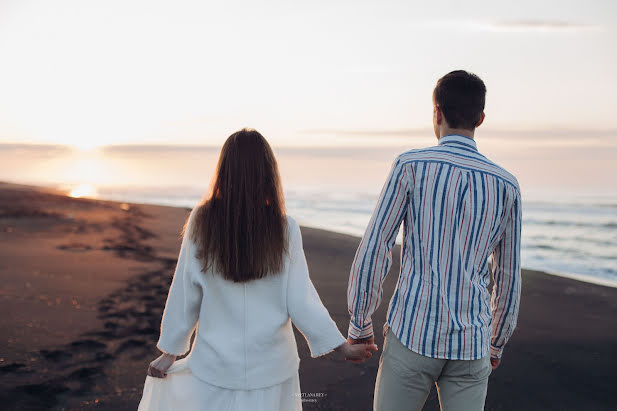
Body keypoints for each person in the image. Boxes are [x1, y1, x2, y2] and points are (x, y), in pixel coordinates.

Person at [139, 128, 378, 411]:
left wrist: (170, 351)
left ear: (224, 170)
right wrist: (342, 346)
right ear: (268, 173)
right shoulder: (284, 228)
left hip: (215, 367)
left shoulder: (202, 221)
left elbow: (185, 291)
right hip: (272, 370)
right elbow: (301, 300)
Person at [347, 70, 522, 411]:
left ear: (436, 113)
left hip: (412, 332)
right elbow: (508, 276)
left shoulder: (410, 166)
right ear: (480, 119)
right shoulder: (506, 185)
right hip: (472, 343)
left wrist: (360, 321)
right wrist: (496, 342)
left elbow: (375, 247)